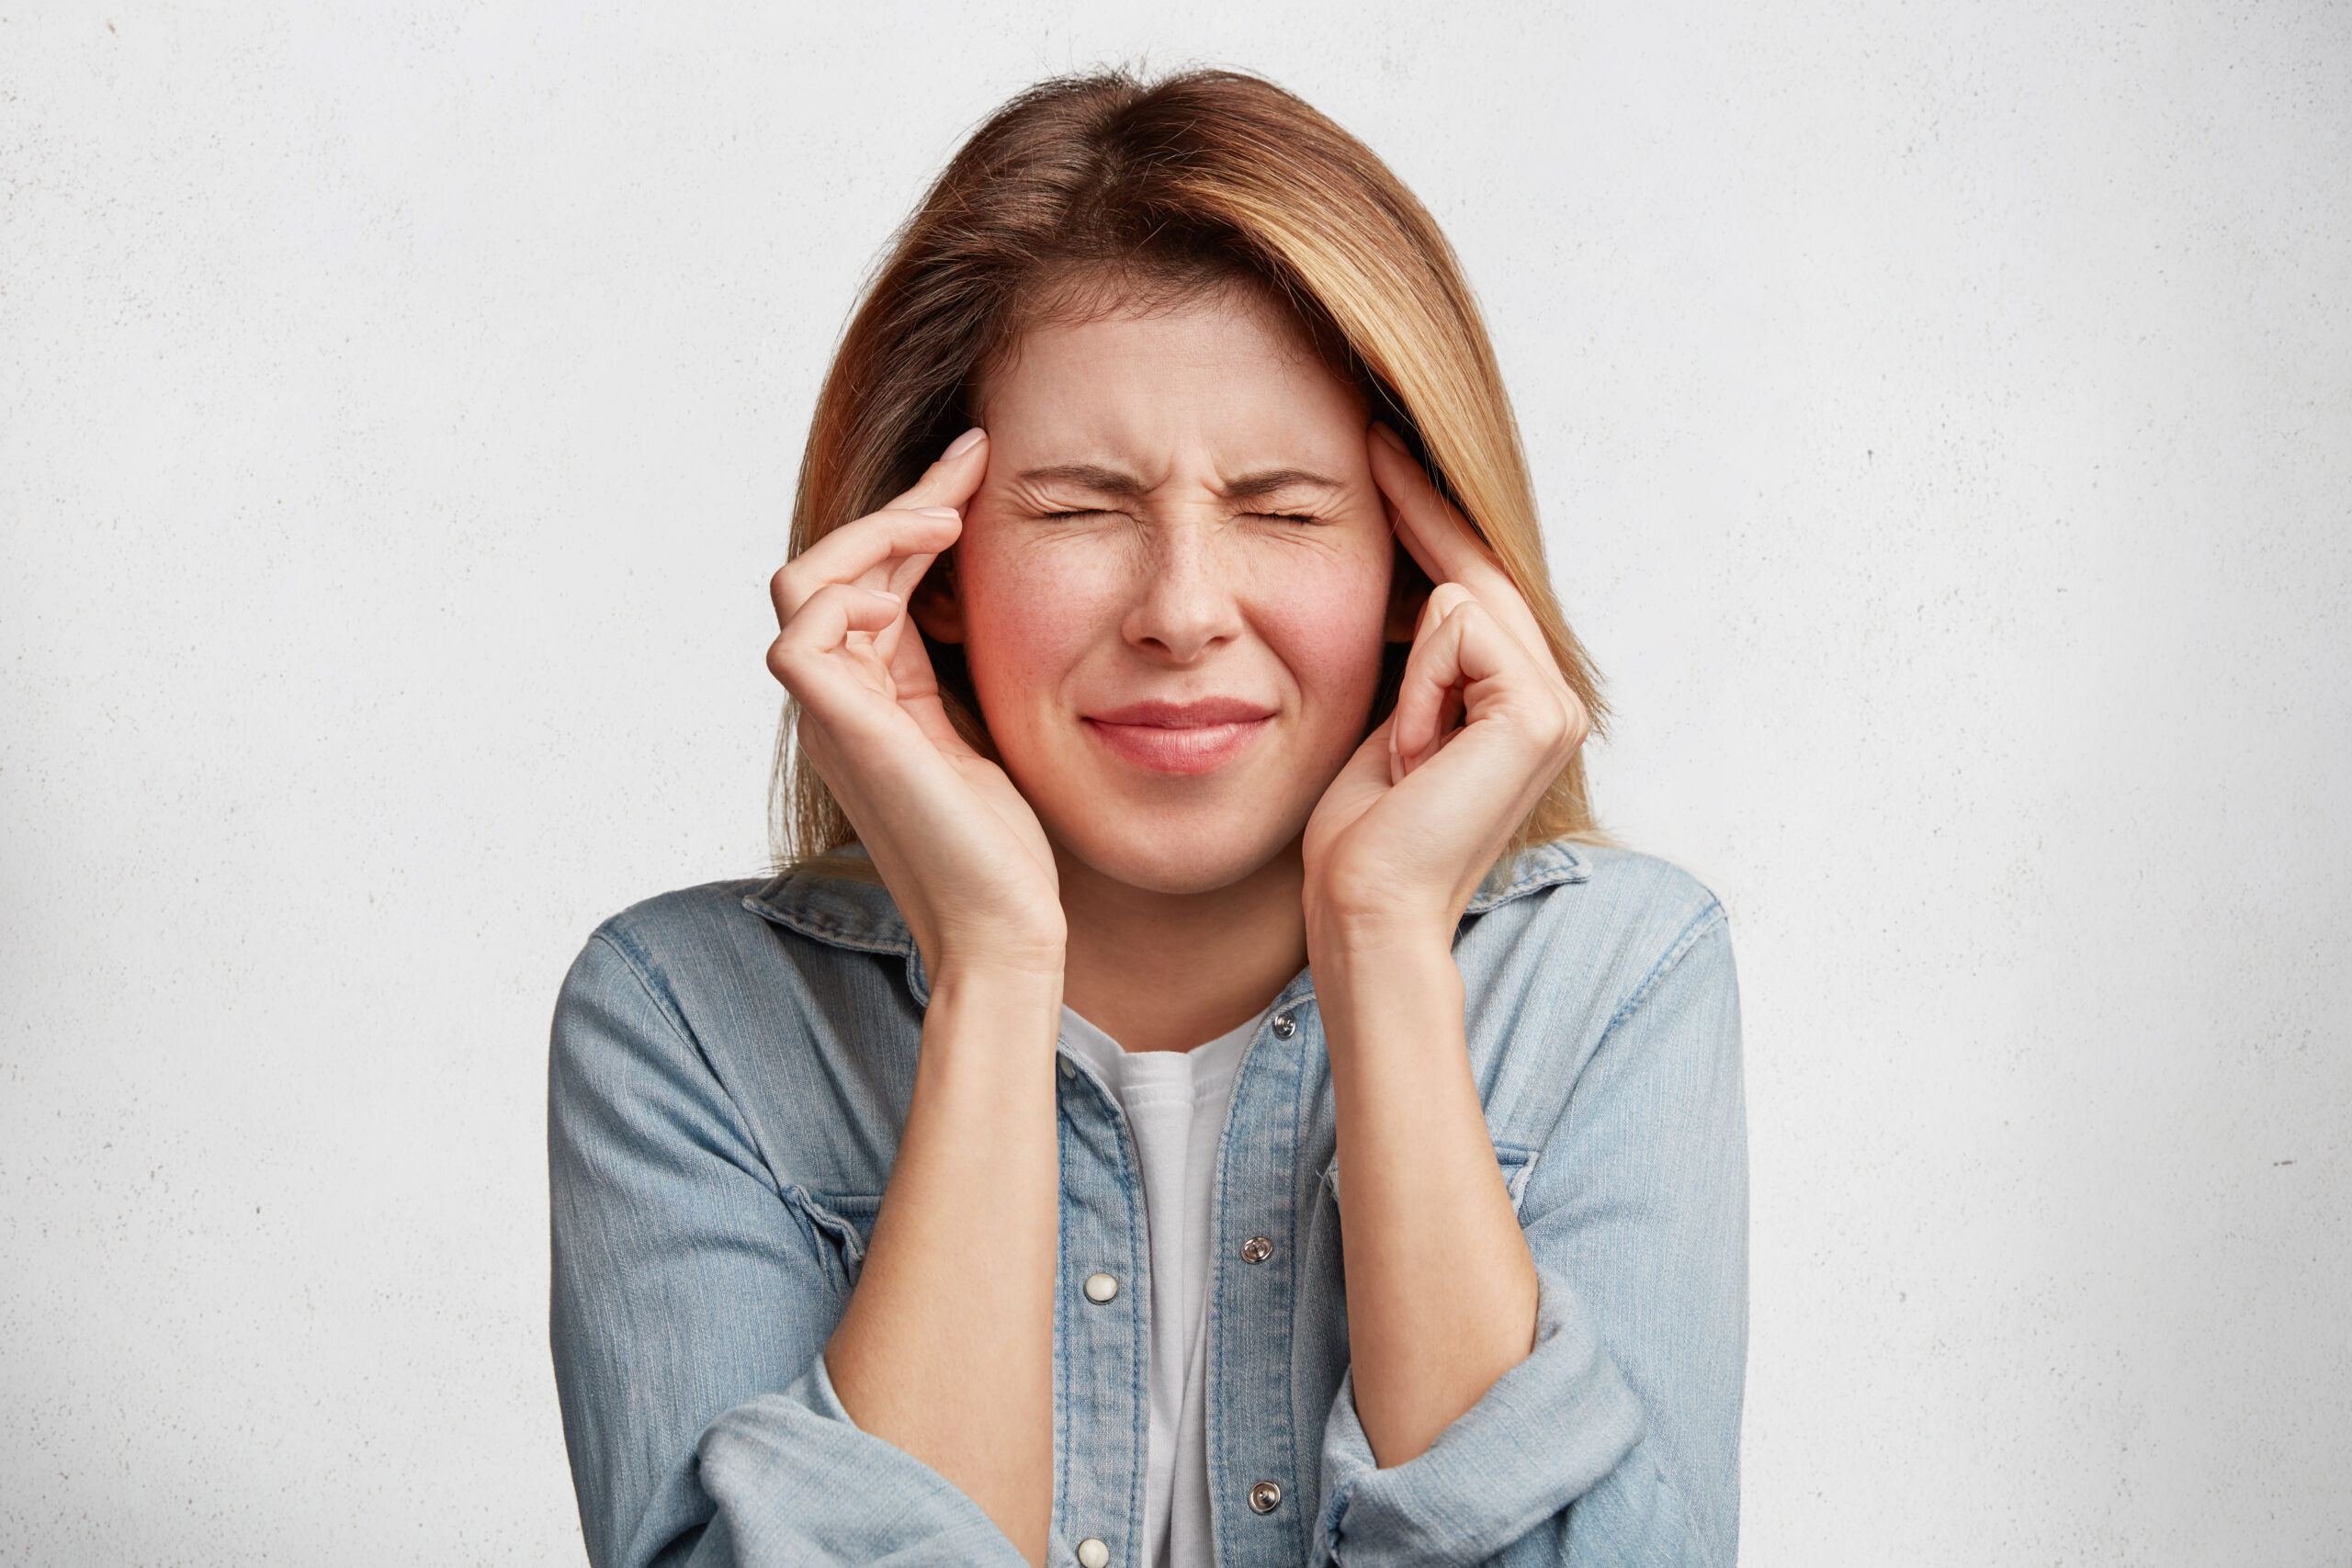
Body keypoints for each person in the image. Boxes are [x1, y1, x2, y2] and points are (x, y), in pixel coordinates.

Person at [548, 68, 1746, 1568]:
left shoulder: (1616, 983)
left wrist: (1381, 944)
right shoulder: (687, 1022)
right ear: (928, 574)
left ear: (1417, 574)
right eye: (1078, 508)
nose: (1184, 612)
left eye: (1286, 509)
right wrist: (990, 968)